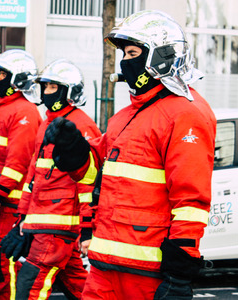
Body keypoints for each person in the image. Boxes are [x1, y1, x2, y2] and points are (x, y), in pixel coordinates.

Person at [44, 10, 217, 300]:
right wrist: (72, 149)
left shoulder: (187, 113)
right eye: (123, 53)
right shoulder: (125, 116)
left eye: (132, 52)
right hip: (103, 266)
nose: (125, 61)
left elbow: (191, 201)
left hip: (148, 273)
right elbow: (94, 175)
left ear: (160, 56)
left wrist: (179, 274)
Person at [1, 59, 102, 299]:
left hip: (61, 225)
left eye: (52, 88)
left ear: (69, 92)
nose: (45, 93)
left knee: (29, 286)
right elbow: (33, 178)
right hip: (43, 222)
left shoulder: (82, 126)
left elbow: (89, 183)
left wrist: (87, 229)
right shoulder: (45, 123)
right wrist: (22, 219)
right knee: (81, 288)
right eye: (44, 87)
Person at [0, 49, 42, 299]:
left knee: (0, 261)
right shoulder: (6, 108)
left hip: (5, 202)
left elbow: (18, 161)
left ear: (17, 79)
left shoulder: (23, 112)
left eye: (2, 74)